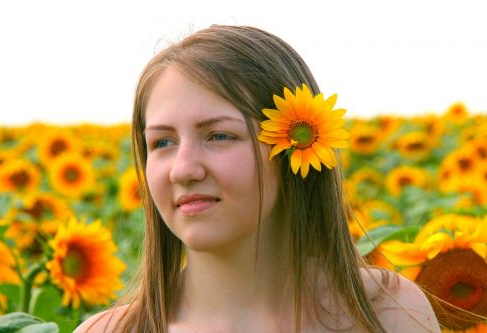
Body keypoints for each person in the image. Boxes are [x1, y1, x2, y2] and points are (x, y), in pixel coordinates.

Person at [75, 25, 441, 332]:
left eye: (219, 135)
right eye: (162, 142)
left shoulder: (387, 314)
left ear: (299, 144)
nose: (183, 169)